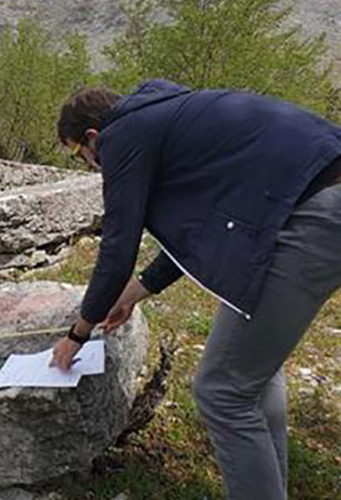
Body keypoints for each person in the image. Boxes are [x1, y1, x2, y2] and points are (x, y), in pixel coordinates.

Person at [50, 79, 341, 500]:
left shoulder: (121, 137)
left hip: (314, 213)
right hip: (315, 196)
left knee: (222, 390)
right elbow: (204, 229)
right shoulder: (168, 116)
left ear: (92, 137)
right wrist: (136, 292)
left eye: (81, 156)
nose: (92, 166)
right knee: (251, 378)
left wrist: (78, 332)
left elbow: (117, 245)